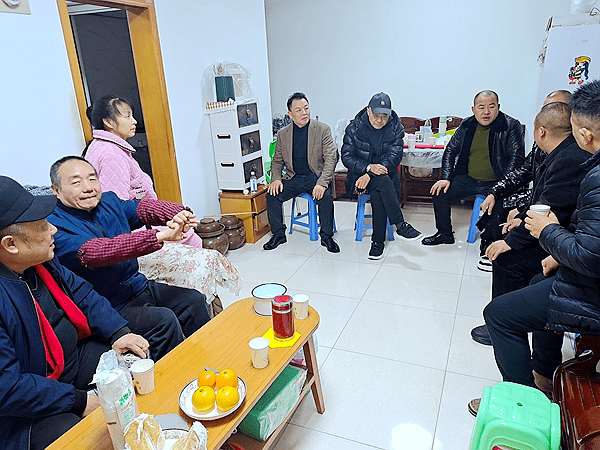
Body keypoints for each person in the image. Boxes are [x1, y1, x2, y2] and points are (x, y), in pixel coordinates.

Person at [468, 80, 600, 416]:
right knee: (536, 280)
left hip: (589, 282)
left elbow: (583, 247)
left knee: (499, 313)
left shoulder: (582, 166)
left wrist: (549, 234)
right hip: (572, 259)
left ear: (584, 134)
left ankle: (524, 407)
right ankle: (544, 374)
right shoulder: (572, 158)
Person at [0, 176, 148, 450]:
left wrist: (118, 332)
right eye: (43, 226)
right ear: (11, 245)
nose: (54, 230)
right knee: (87, 436)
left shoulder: (41, 261)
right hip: (26, 402)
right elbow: (8, 388)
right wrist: (79, 401)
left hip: (71, 359)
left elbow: (83, 293)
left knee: (136, 359)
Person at [83, 95, 241, 311]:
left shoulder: (103, 147)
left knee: (189, 234)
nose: (134, 121)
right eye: (127, 116)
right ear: (109, 122)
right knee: (193, 241)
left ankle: (207, 305)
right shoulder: (112, 154)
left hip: (138, 224)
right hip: (133, 231)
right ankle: (204, 305)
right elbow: (117, 208)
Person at [47, 156, 211, 361]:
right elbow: (98, 251)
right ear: (56, 190)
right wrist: (159, 237)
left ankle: (210, 358)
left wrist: (178, 214)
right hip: (108, 304)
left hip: (138, 287)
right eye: (76, 182)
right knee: (164, 320)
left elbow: (142, 209)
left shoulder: (109, 201)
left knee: (193, 300)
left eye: (92, 179)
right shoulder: (53, 226)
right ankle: (173, 374)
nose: (88, 188)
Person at [471, 101, 588, 346]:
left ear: (541, 131)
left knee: (506, 259)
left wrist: (511, 242)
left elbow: (551, 209)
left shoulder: (568, 159)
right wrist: (520, 216)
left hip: (566, 243)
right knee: (502, 226)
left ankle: (504, 322)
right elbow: (540, 198)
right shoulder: (557, 151)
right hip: (557, 234)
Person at [476, 90, 572, 272]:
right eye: (545, 109)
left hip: (548, 214)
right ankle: (489, 243)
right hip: (535, 198)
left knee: (508, 209)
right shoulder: (541, 144)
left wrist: (522, 213)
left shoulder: (569, 154)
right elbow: (522, 172)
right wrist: (494, 192)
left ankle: (502, 248)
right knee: (497, 199)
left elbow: (552, 200)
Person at [422, 90, 525, 245]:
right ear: (473, 109)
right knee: (440, 192)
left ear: (498, 107)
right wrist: (446, 178)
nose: (486, 112)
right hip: (470, 179)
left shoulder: (510, 125)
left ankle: (492, 239)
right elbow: (450, 150)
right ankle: (444, 234)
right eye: (481, 107)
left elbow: (516, 159)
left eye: (491, 106)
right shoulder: (467, 125)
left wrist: (499, 189)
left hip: (497, 182)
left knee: (499, 208)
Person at [341, 92, 423, 259]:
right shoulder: (354, 128)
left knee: (380, 187)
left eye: (384, 116)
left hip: (383, 175)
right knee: (383, 183)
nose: (380, 120)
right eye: (376, 116)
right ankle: (399, 226)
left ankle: (377, 243)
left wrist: (371, 174)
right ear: (368, 111)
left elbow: (394, 156)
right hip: (358, 177)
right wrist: (368, 168)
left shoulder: (395, 128)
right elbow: (347, 157)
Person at [263, 92, 340, 253]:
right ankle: (278, 234)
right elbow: (277, 161)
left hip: (315, 177)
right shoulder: (283, 134)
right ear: (290, 114)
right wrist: (276, 179)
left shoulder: (322, 129)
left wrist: (322, 183)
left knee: (325, 197)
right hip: (294, 177)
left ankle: (327, 236)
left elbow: (331, 159)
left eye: (306, 108)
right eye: (298, 110)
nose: (304, 113)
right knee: (272, 194)